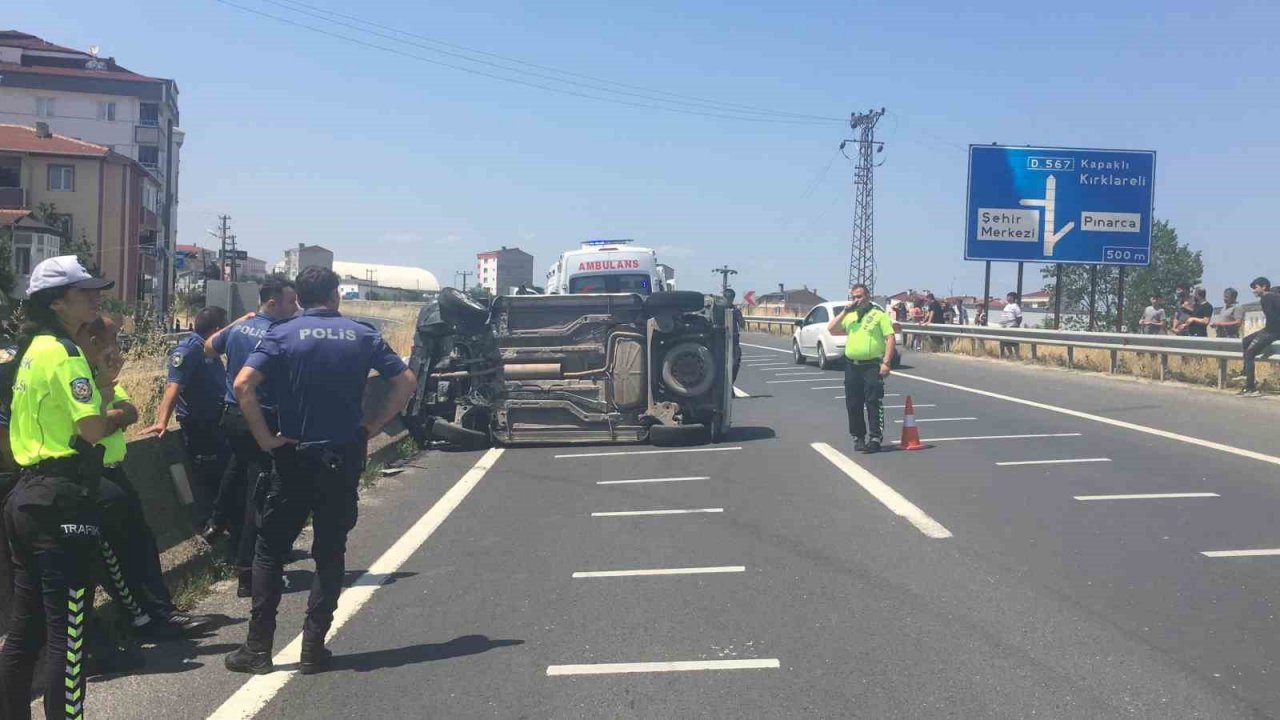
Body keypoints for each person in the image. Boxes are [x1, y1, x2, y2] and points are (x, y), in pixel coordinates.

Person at [224, 266, 416, 675]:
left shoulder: (281, 333)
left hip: (294, 457)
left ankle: (258, 648)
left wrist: (265, 438)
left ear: (302, 297)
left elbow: (243, 385)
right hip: (343, 457)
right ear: (336, 296)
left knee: (270, 550)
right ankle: (313, 647)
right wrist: (373, 427)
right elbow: (405, 381)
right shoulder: (363, 335)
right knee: (330, 552)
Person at [0, 256, 116, 720]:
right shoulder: (66, 355)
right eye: (83, 291)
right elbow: (92, 428)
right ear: (56, 301)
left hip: (28, 497)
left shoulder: (34, 350)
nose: (95, 297)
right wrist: (116, 412)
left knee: (24, 631)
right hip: (63, 500)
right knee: (68, 635)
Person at [76, 317, 212, 640]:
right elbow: (87, 428)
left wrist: (110, 417)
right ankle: (141, 618)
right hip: (91, 476)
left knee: (140, 542)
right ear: (93, 340)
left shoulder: (100, 373)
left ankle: (157, 613)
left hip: (113, 469)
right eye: (112, 338)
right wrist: (110, 419)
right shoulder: (78, 373)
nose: (117, 345)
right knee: (113, 555)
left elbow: (130, 411)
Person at [202, 277, 299, 597]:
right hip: (262, 419)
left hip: (230, 415)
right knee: (258, 495)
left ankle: (215, 520)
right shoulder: (278, 333)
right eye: (290, 302)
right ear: (272, 302)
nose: (295, 308)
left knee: (237, 465)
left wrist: (236, 323)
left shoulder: (240, 328)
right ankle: (247, 573)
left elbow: (208, 347)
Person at [145, 307, 230, 530]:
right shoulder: (190, 350)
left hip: (216, 422)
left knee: (222, 474)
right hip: (200, 426)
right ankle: (207, 524)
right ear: (216, 330)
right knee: (206, 476)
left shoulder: (209, 350)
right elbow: (173, 387)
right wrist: (162, 421)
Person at [826, 283, 896, 454]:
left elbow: (890, 338)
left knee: (873, 401)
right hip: (852, 365)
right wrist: (845, 311)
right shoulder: (850, 316)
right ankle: (858, 437)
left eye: (860, 296)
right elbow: (831, 328)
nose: (857, 300)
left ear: (868, 296)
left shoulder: (879, 315)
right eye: (854, 297)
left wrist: (886, 362)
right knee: (853, 403)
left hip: (872, 365)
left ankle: (875, 438)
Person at [1239, 276, 1280, 397]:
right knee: (1246, 341)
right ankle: (1246, 372)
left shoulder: (1268, 298)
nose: (1253, 291)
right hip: (1270, 330)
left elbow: (1274, 319)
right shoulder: (1270, 297)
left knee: (1250, 353)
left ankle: (1251, 388)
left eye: (1255, 287)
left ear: (1264, 287)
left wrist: (1265, 333)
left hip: (1273, 331)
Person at [722, 288, 744, 382]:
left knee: (735, 363)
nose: (729, 300)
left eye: (731, 298)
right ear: (724, 297)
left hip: (734, 341)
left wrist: (739, 315)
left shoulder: (735, 310)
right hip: (721, 341)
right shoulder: (719, 309)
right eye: (727, 298)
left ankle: (730, 385)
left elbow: (742, 324)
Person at [999, 292, 1023, 358]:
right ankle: (1011, 355)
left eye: (1010, 296)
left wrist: (1015, 325)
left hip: (1012, 326)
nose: (1008, 298)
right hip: (1005, 327)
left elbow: (1019, 318)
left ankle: (1017, 356)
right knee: (1006, 343)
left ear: (1014, 298)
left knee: (1014, 342)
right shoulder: (1007, 306)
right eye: (1007, 296)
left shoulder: (1015, 306)